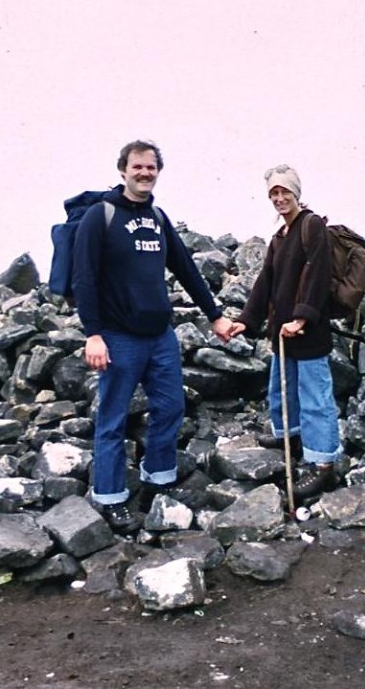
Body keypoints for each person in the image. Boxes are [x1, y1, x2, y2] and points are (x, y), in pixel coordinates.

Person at [73, 139, 233, 530]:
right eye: (137, 167)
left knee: (171, 407)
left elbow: (186, 270)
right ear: (123, 170)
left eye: (151, 167)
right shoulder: (101, 216)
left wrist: (215, 315)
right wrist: (93, 334)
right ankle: (111, 498)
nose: (144, 173)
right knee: (112, 419)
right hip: (118, 337)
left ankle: (157, 483)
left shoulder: (158, 218)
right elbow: (84, 278)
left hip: (160, 337)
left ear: (158, 171)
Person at [229, 165, 341, 500]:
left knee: (316, 400)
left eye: (284, 192)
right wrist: (246, 321)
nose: (279, 198)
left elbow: (319, 275)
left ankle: (323, 464)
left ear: (296, 193)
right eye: (273, 194)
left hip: (308, 333)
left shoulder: (312, 226)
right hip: (283, 334)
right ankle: (289, 436)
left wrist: (303, 318)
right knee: (283, 391)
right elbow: (266, 282)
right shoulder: (279, 237)